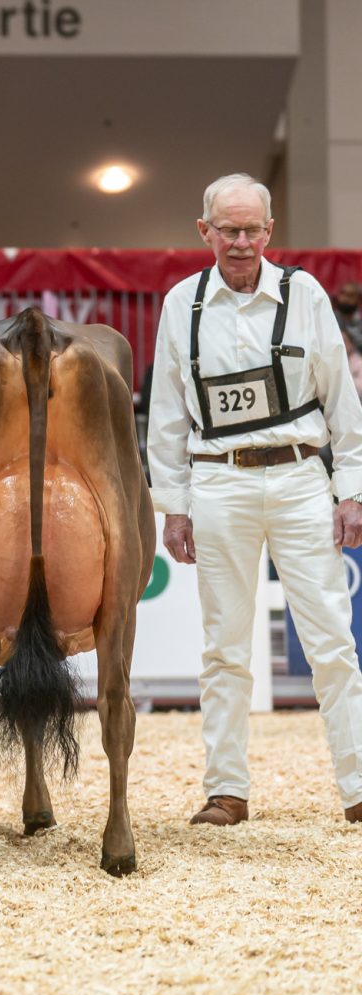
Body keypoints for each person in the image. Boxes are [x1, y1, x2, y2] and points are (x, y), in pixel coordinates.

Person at [148, 172, 362, 827]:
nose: (240, 242)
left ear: (269, 231)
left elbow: (342, 400)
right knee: (224, 646)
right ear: (204, 230)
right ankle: (227, 790)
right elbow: (167, 413)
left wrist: (351, 491)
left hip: (300, 480)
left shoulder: (305, 294)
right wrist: (173, 505)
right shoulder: (181, 303)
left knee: (332, 640)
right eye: (227, 229)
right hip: (219, 482)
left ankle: (358, 786)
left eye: (251, 230)